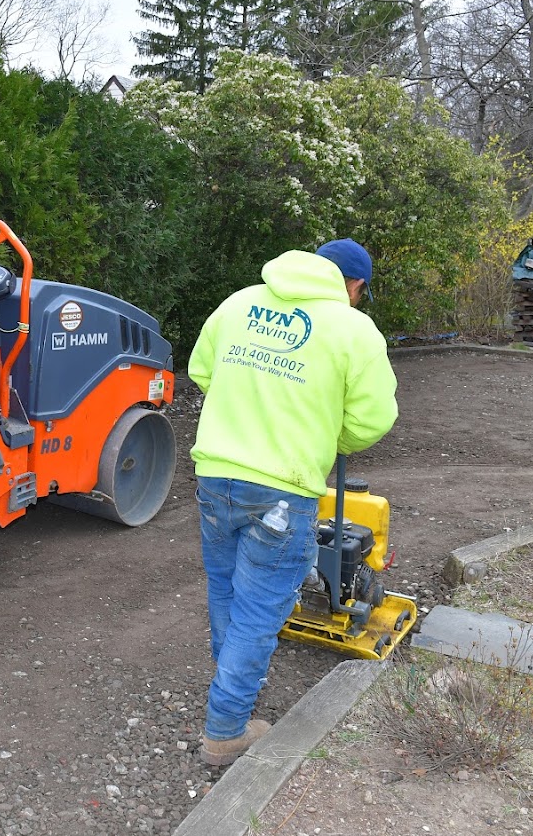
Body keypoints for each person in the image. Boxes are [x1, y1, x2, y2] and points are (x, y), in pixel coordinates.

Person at [186, 238, 398, 765]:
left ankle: (230, 687)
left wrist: (251, 403)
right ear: (354, 286)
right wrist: (333, 433)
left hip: (216, 476)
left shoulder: (239, 304)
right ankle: (226, 729)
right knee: (259, 609)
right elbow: (372, 419)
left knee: (227, 591)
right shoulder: (352, 328)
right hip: (283, 486)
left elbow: (202, 373)